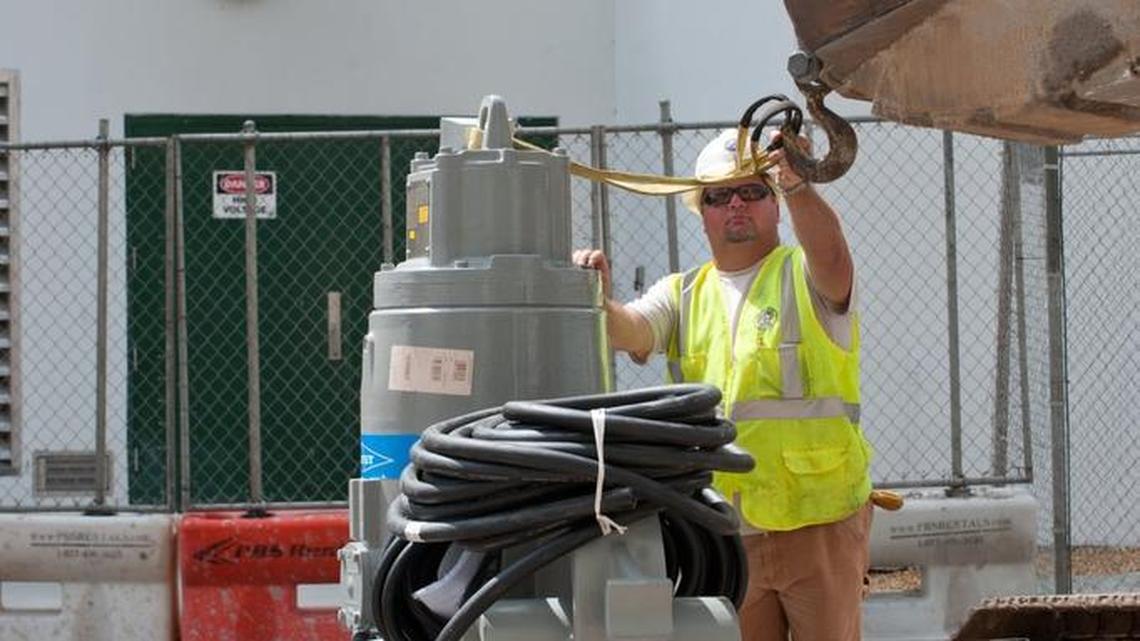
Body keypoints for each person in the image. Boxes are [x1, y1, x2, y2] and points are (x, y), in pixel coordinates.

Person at [573, 128, 874, 641]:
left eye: (754, 190)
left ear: (775, 204)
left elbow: (832, 257)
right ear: (703, 211)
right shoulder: (685, 293)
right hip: (728, 532)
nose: (736, 203)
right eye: (719, 195)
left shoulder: (805, 276)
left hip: (817, 522)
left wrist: (799, 184)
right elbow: (632, 330)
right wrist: (595, 297)